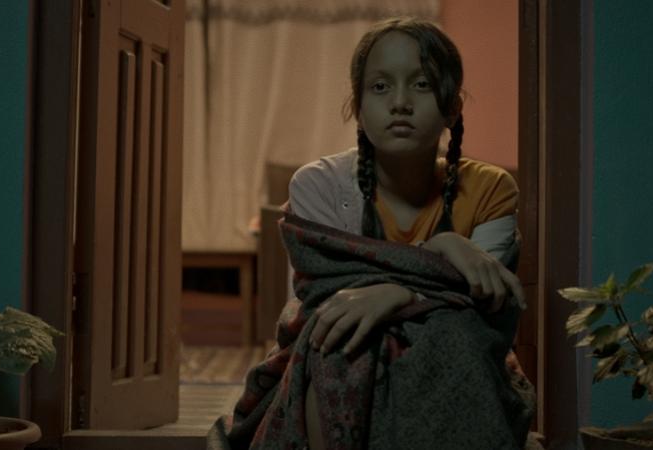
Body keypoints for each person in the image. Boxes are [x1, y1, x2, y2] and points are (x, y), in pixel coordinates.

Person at [208, 17, 535, 450]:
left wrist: (398, 291)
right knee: (341, 338)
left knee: (456, 334)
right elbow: (329, 299)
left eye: (421, 85)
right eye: (380, 87)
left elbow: (485, 302)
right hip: (336, 353)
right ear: (359, 109)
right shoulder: (319, 184)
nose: (400, 103)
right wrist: (439, 256)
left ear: (453, 107)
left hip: (459, 353)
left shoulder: (491, 189)